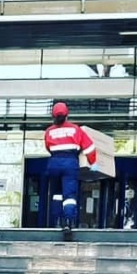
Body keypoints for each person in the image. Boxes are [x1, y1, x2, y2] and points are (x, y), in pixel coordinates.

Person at [44, 101, 97, 236]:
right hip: (70, 163)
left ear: (53, 117)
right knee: (69, 195)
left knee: (56, 194)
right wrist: (93, 162)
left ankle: (56, 221)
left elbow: (48, 148)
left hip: (54, 163)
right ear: (67, 115)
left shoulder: (49, 131)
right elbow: (90, 147)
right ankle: (68, 223)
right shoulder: (75, 129)